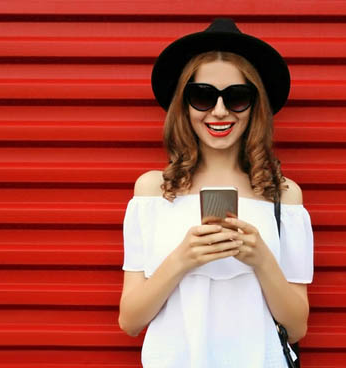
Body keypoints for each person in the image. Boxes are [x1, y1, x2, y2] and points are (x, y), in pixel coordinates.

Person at [117, 18, 314, 368]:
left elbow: (296, 326)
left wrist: (261, 260)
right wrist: (183, 259)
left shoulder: (284, 197)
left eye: (237, 97)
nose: (220, 111)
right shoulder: (152, 190)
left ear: (255, 106)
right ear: (184, 103)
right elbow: (130, 321)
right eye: (203, 96)